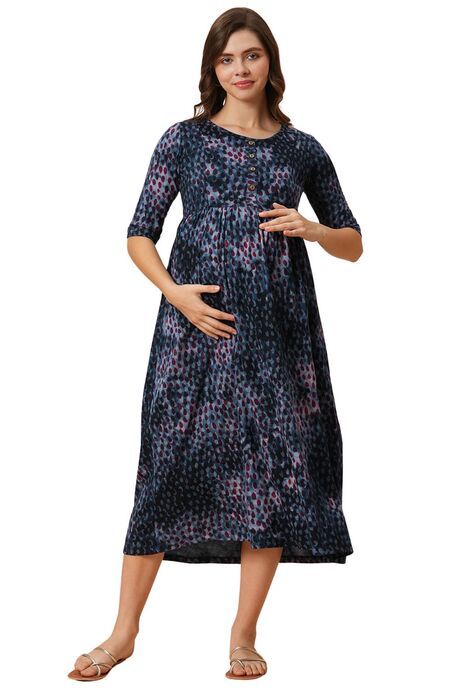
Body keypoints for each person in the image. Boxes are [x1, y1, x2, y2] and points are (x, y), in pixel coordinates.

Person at [68, 7, 363, 682]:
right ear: (212, 69)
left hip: (277, 336)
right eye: (227, 59)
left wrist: (313, 230)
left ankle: (243, 635)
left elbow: (353, 243)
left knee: (269, 476)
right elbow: (139, 232)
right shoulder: (184, 139)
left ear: (271, 61)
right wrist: (176, 294)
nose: (240, 69)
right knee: (164, 468)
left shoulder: (302, 149)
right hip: (193, 332)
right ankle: (123, 633)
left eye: (251, 55)